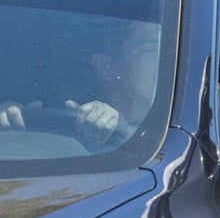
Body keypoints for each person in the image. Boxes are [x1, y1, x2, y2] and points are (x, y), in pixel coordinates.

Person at [0, 21, 158, 146]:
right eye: (153, 48)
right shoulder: (56, 128)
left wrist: (126, 133)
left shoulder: (173, 137)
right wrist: (8, 123)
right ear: (106, 66)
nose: (169, 61)